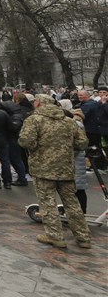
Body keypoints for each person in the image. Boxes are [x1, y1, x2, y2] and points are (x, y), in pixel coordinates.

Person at [18, 94, 92, 249]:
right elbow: (82, 143)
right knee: (72, 203)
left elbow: (25, 141)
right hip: (65, 168)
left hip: (42, 168)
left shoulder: (34, 120)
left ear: (38, 103)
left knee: (48, 202)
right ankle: (83, 237)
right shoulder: (69, 121)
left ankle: (55, 236)